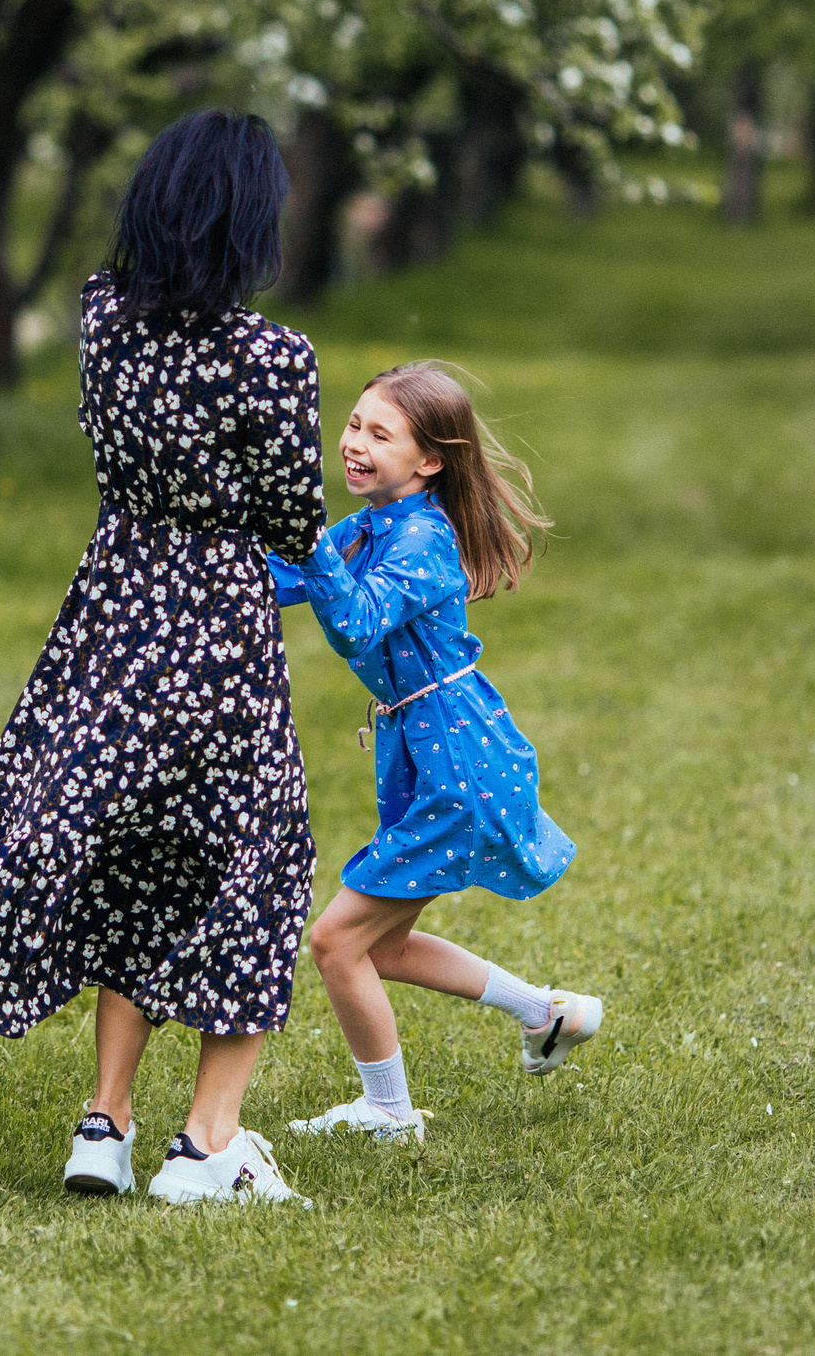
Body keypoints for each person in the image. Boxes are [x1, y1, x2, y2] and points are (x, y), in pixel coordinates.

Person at [0, 110, 323, 1206]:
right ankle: (203, 1145)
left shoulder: (99, 319)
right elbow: (289, 517)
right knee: (250, 859)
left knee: (127, 853)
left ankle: (103, 1126)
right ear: (248, 219)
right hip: (217, 623)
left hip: (114, 602)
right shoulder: (272, 358)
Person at [271, 362, 600, 1143]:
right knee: (377, 945)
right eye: (352, 424)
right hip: (432, 750)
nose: (352, 443)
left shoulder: (420, 538)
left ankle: (388, 1111)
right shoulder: (378, 520)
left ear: (429, 462)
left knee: (335, 942)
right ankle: (548, 1013)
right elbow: (293, 578)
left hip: (459, 763)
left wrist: (312, 541)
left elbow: (355, 618)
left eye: (379, 434)